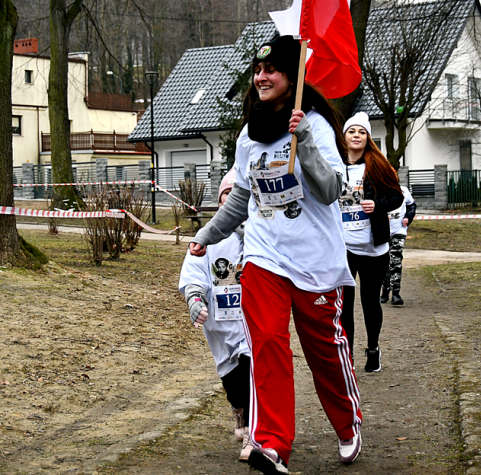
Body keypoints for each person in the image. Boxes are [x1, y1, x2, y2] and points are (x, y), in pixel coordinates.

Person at [188, 35, 363, 474]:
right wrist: (208, 234)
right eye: (258, 70)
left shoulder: (318, 125)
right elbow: (242, 197)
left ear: (292, 77)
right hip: (264, 256)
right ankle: (271, 443)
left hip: (316, 262)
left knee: (322, 349)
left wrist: (302, 139)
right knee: (265, 342)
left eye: (272, 70)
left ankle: (347, 424)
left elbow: (329, 192)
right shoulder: (249, 133)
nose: (261, 77)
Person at [179, 169, 254, 462]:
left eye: (237, 194)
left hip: (251, 320)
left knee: (251, 370)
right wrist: (195, 298)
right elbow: (193, 273)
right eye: (226, 195)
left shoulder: (261, 232)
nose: (231, 200)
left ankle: (251, 431)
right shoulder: (208, 237)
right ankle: (238, 409)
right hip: (219, 321)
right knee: (231, 377)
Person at [339, 112, 403, 373]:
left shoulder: (377, 165)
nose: (356, 135)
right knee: (343, 304)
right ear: (344, 137)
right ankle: (348, 357)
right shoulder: (334, 165)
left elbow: (397, 198)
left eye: (362, 132)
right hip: (342, 246)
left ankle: (373, 349)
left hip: (373, 246)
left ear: (368, 138)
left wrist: (376, 204)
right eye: (352, 131)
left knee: (369, 301)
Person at [381, 184, 416, 306]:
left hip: (399, 232)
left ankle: (396, 293)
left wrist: (408, 217)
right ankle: (385, 291)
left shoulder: (403, 191)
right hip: (383, 233)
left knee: (396, 262)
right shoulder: (379, 189)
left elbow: (412, 206)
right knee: (384, 263)